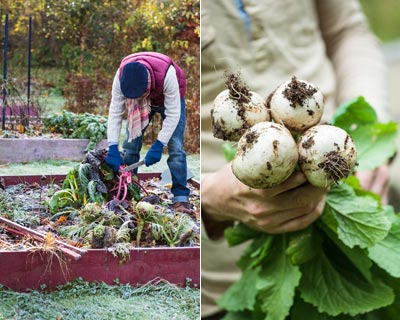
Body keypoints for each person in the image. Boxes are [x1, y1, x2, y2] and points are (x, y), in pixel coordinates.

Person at [201, 0, 389, 318]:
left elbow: (347, 31)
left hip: (337, 161)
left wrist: (367, 129)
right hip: (213, 283)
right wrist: (205, 196)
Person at [105, 52, 191, 213]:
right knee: (130, 147)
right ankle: (129, 191)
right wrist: (112, 146)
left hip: (169, 100)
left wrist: (159, 145)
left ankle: (181, 198)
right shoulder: (121, 76)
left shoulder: (168, 75)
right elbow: (115, 112)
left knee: (176, 148)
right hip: (140, 103)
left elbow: (173, 115)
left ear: (147, 87)